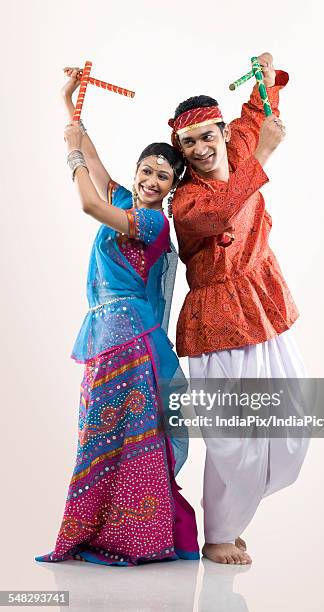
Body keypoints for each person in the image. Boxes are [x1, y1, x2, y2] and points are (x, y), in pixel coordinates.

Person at [35, 68, 199, 566]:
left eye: (162, 176)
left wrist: (70, 155)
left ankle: (137, 538)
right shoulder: (125, 199)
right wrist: (71, 107)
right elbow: (92, 159)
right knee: (98, 433)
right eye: (145, 170)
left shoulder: (150, 222)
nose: (150, 181)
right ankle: (103, 532)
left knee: (121, 439)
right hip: (108, 335)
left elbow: (87, 199)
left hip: (130, 343)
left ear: (172, 187)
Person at [168, 53, 309, 565]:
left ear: (222, 133)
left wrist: (267, 77)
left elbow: (258, 110)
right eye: (190, 143)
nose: (203, 148)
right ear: (182, 151)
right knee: (233, 439)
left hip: (263, 306)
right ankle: (219, 534)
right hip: (216, 322)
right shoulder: (185, 201)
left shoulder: (239, 146)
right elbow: (225, 208)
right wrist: (265, 156)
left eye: (209, 135)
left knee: (291, 422)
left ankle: (239, 512)